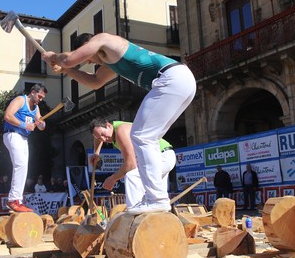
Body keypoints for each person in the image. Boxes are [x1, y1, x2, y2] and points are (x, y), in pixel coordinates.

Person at [43, 33, 195, 213]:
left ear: (87, 45)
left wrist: (52, 57)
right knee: (149, 138)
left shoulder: (104, 40)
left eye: (87, 57)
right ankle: (156, 198)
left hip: (171, 79)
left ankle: (157, 198)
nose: (90, 62)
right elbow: (95, 82)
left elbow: (69, 59)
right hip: (182, 81)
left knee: (140, 136)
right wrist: (67, 70)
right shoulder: (111, 62)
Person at [89, 119, 176, 210]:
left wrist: (113, 178)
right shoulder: (109, 131)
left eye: (103, 134)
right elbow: (98, 136)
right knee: (157, 199)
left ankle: (134, 211)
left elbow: (131, 164)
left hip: (161, 157)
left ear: (109, 126)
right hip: (156, 158)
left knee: (132, 176)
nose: (103, 139)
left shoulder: (121, 131)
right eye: (99, 138)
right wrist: (96, 153)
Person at [2, 83, 47, 212]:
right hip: (13, 134)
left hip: (23, 138)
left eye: (42, 98)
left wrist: (41, 123)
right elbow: (8, 115)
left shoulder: (36, 108)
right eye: (39, 96)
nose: (40, 99)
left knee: (23, 167)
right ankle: (13, 200)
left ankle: (18, 200)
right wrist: (24, 125)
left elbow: (41, 125)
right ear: (32, 92)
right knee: (20, 165)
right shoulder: (20, 100)